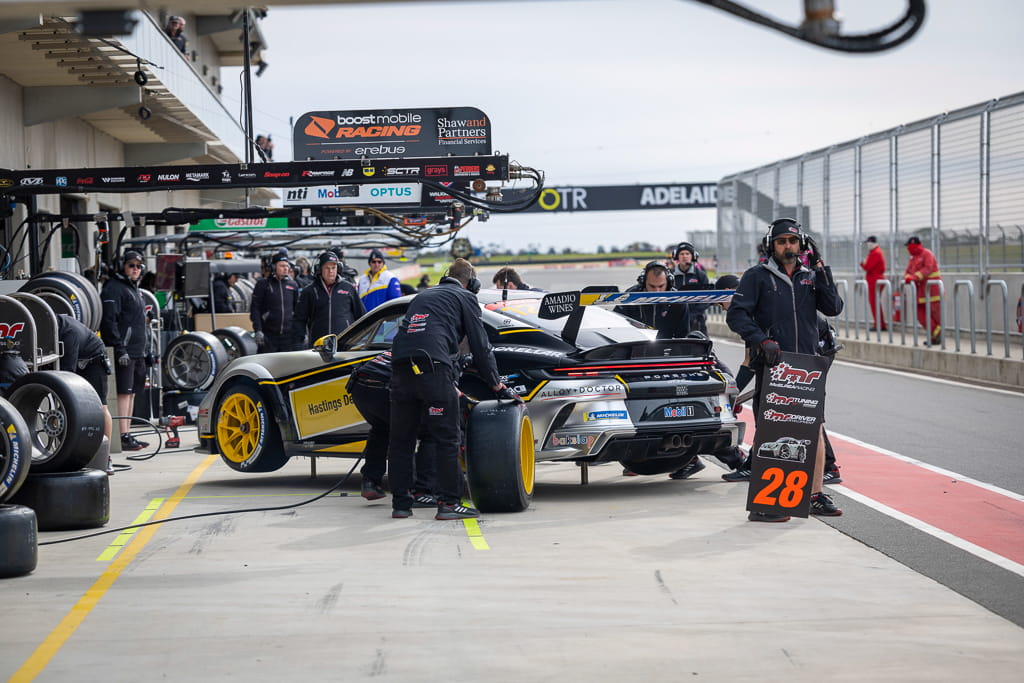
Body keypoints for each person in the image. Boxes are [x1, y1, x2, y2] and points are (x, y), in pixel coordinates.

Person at [725, 218, 844, 522]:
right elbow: (737, 316)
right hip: (774, 365)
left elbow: (833, 308)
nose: (787, 247)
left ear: (801, 245)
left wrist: (821, 268)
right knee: (772, 429)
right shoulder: (756, 277)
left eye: (792, 241)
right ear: (771, 246)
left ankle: (815, 495)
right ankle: (769, 503)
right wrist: (761, 340)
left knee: (814, 429)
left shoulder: (811, 277)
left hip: (808, 366)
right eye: (781, 242)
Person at [387, 258, 516, 520]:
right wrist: (496, 384)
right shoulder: (465, 297)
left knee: (401, 440)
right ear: (473, 283)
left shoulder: (423, 296)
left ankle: (401, 505)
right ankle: (448, 503)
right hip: (433, 369)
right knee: (446, 437)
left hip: (400, 368)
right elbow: (480, 346)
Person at [347, 351, 439, 506]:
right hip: (384, 387)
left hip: (360, 386)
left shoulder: (407, 341)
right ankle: (422, 491)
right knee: (429, 433)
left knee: (381, 428)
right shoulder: (432, 351)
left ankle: (370, 482)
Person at [100, 249, 153, 451]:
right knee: (124, 392)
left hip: (137, 350)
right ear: (123, 266)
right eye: (131, 265)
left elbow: (139, 322)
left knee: (131, 393)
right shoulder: (114, 288)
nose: (135, 269)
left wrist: (146, 350)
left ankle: (128, 433)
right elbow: (109, 321)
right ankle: (123, 435)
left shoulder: (133, 289)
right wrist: (119, 348)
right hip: (124, 350)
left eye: (139, 266)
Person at [57, 314, 113, 444]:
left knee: (101, 406)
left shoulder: (69, 332)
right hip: (77, 357)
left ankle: (105, 455)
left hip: (94, 359)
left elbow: (67, 374)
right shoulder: (49, 327)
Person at [294, 251, 364, 348]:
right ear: (319, 269)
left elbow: (361, 316)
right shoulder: (309, 291)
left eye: (333, 268)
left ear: (338, 268)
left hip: (344, 346)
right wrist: (299, 341)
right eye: (327, 268)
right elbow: (299, 319)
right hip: (318, 345)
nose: (331, 271)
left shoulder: (349, 288)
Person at [613, 261, 692, 339]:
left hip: (668, 348)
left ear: (669, 283)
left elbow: (683, 335)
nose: (657, 291)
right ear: (643, 282)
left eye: (661, 286)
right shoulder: (630, 296)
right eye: (652, 286)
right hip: (637, 346)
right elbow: (616, 323)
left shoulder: (678, 300)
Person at [249, 254, 299, 352]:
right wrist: (258, 330)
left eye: (286, 266)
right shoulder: (263, 284)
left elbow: (298, 310)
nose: (285, 268)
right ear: (273, 267)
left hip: (288, 336)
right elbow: (255, 308)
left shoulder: (293, 285)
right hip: (268, 336)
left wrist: (300, 331)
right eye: (282, 266)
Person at [903, 236, 942, 345]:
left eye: (908, 246)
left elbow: (928, 269)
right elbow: (907, 271)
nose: (907, 249)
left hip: (932, 291)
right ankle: (937, 333)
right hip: (920, 292)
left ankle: (935, 337)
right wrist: (907, 277)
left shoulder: (927, 254)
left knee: (934, 316)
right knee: (920, 315)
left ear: (913, 245)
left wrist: (914, 277)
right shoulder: (913, 259)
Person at [670, 241, 710, 334]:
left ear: (693, 256)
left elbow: (707, 298)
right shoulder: (669, 275)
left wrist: (694, 314)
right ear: (676, 256)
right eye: (682, 254)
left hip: (697, 320)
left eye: (687, 254)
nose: (685, 256)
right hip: (674, 319)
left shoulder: (701, 275)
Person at [861, 236, 887, 331]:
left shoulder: (875, 253)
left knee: (874, 302)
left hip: (875, 280)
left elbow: (868, 267)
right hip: (875, 279)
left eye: (868, 243)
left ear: (871, 243)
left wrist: (862, 263)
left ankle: (879, 325)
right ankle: (880, 324)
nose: (867, 245)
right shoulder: (876, 252)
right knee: (875, 303)